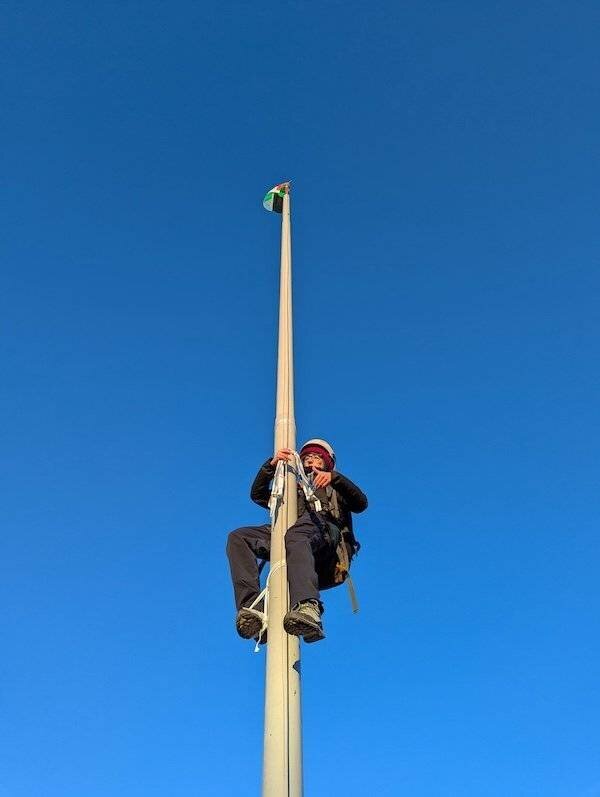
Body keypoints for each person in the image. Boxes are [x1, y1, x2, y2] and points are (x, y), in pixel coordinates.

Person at [226, 439, 368, 643]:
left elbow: (361, 503)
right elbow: (258, 495)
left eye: (317, 457)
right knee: (239, 538)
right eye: (307, 457)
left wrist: (334, 478)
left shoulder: (333, 486)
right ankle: (254, 608)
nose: (311, 460)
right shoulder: (292, 488)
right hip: (292, 536)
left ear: (326, 463)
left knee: (297, 535)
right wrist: (270, 466)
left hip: (324, 537)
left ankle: (308, 606)